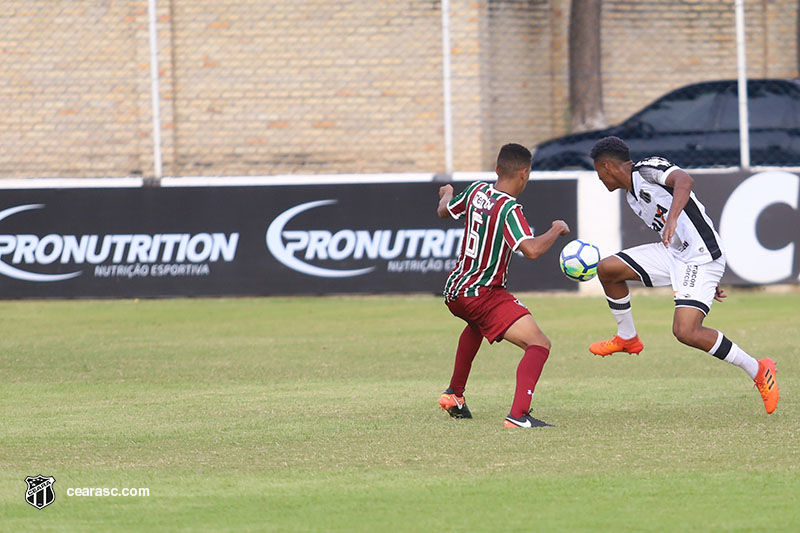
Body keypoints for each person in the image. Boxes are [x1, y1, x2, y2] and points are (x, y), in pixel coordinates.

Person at [588, 136, 779, 414]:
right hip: (673, 253)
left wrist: (674, 218)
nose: (599, 178)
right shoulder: (631, 194)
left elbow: (685, 181)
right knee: (607, 269)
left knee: (686, 331)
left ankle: (759, 369)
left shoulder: (647, 170)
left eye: (597, 172)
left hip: (699, 257)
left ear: (606, 166)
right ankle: (627, 338)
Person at [436, 143, 570, 428]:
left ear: (497, 169)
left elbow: (444, 211)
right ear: (524, 173)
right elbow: (531, 250)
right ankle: (518, 416)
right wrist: (556, 229)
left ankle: (454, 395)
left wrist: (446, 193)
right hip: (482, 293)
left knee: (476, 325)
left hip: (455, 290)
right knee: (539, 344)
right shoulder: (510, 209)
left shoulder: (476, 191)